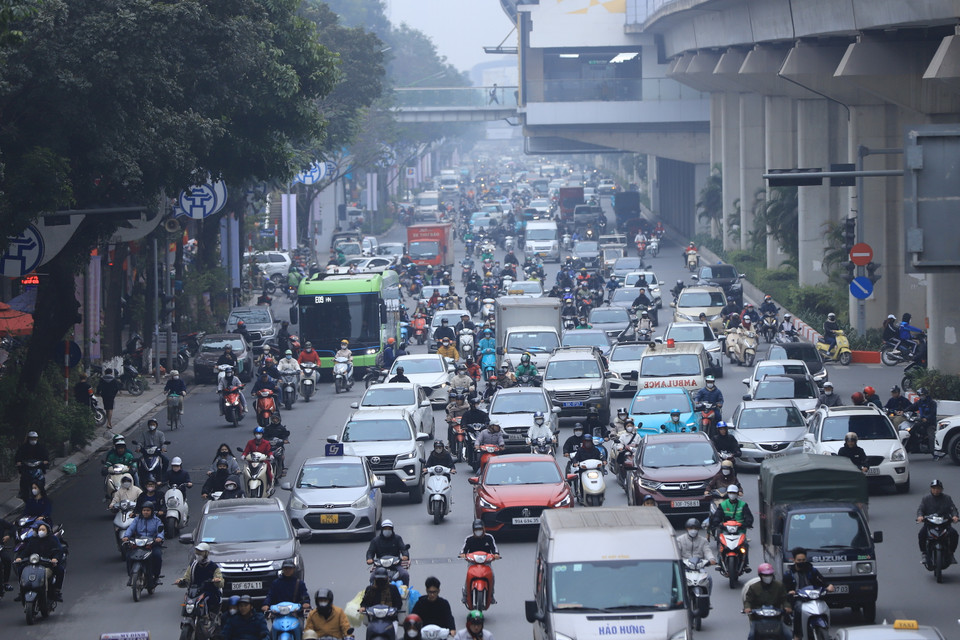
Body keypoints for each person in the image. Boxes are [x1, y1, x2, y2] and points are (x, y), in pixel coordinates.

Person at [783, 548, 835, 640]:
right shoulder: (789, 574)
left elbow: (821, 581)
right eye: (799, 560)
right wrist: (790, 592)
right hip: (799, 599)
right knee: (798, 609)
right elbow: (784, 589)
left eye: (803, 560)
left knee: (825, 606)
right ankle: (797, 635)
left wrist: (828, 586)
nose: (801, 562)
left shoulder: (812, 571)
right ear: (794, 560)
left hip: (814, 597)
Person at [14, 521, 66, 601]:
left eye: (42, 529)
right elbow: (26, 551)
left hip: (49, 564)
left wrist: (55, 559)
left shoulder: (53, 539)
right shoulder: (33, 540)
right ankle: (22, 591)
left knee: (60, 570)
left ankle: (57, 591)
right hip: (34, 563)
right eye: (37, 529)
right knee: (21, 569)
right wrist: (20, 558)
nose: (39, 531)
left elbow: (58, 551)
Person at [743, 564, 792, 640]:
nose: (768, 577)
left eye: (769, 575)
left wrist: (787, 607)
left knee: (789, 636)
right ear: (760, 576)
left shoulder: (779, 586)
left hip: (776, 619)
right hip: (758, 619)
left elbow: (784, 599)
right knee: (751, 636)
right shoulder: (754, 587)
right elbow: (748, 601)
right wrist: (747, 608)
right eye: (765, 575)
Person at [121, 501, 163, 587]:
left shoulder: (157, 520)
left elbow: (160, 531)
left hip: (152, 544)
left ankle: (156, 576)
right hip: (139, 543)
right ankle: (131, 576)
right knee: (129, 556)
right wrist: (126, 536)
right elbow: (131, 529)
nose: (146, 512)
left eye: (148, 510)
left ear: (151, 511)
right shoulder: (137, 520)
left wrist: (159, 538)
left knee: (157, 555)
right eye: (144, 510)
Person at [916, 479, 959, 564]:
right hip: (930, 524)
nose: (936, 490)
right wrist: (920, 517)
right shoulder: (926, 499)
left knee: (954, 534)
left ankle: (951, 554)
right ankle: (924, 553)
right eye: (934, 488)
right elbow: (921, 509)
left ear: (941, 489)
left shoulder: (947, 498)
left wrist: (955, 516)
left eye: (938, 488)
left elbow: (953, 509)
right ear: (931, 489)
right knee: (921, 534)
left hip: (944, 524)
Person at [710, 485, 754, 567]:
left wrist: (747, 524)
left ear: (737, 494)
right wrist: (717, 523)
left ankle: (745, 563)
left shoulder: (743, 505)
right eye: (730, 493)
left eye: (733, 493)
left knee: (745, 545)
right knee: (721, 544)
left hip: (740, 530)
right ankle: (720, 562)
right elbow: (717, 516)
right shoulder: (723, 505)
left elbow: (749, 517)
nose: (732, 494)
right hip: (726, 530)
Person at [175, 542, 223, 613]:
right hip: (195, 593)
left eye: (201, 553)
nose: (198, 555)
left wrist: (217, 580)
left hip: (210, 592)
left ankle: (207, 616)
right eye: (197, 552)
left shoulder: (214, 567)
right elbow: (187, 579)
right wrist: (180, 581)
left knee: (209, 600)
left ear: (206, 553)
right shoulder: (192, 566)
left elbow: (220, 582)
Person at [459, 519, 500, 603]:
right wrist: (462, 554)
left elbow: (494, 548)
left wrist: (496, 554)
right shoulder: (469, 539)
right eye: (476, 530)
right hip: (473, 562)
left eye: (480, 529)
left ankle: (491, 595)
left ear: (484, 529)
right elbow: (463, 550)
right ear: (473, 530)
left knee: (492, 576)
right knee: (468, 576)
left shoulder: (489, 538)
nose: (478, 531)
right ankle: (465, 594)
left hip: (486, 562)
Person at [676, 518, 717, 594]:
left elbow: (707, 551)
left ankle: (707, 598)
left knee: (709, 579)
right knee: (677, 581)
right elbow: (677, 552)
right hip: (685, 568)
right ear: (687, 529)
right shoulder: (680, 540)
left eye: (695, 528)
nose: (693, 530)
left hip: (699, 568)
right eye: (691, 528)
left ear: (698, 529)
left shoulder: (703, 541)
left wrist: (711, 559)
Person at [366, 520, 410, 585]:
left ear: (392, 529)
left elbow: (403, 548)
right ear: (382, 529)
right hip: (380, 565)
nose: (387, 530)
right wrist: (369, 558)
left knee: (405, 575)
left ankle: (406, 590)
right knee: (372, 578)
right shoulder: (375, 540)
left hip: (395, 564)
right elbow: (370, 552)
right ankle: (373, 592)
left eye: (389, 529)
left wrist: (405, 555)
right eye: (385, 529)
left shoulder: (397, 538)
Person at [15, 431, 49, 502]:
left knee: (41, 482)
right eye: (31, 438)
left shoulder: (41, 447)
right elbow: (18, 456)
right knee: (23, 481)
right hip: (26, 468)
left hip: (38, 467)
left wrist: (45, 461)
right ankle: (22, 493)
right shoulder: (24, 447)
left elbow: (46, 457)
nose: (33, 440)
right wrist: (18, 462)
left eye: (35, 438)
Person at [909, 387, 938, 452]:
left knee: (931, 437)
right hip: (922, 422)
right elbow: (912, 407)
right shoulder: (919, 402)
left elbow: (933, 414)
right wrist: (903, 411)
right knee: (913, 429)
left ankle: (933, 452)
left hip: (930, 423)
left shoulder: (932, 403)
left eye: (922, 395)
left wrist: (926, 418)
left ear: (926, 395)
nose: (921, 397)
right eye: (920, 395)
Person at [1, 515, 16, 593]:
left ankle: (6, 583)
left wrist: (8, 535)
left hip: (0, 548)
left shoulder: (1, 522)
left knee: (7, 560)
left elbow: (12, 527)